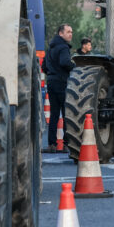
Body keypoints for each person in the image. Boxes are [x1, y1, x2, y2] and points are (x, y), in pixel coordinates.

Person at [44, 24, 75, 153]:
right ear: (60, 33)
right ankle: (67, 144)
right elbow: (65, 62)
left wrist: (52, 73)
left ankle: (52, 144)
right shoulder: (63, 47)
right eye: (68, 32)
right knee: (67, 113)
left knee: (54, 114)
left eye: (71, 32)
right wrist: (74, 66)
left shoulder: (50, 48)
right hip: (62, 82)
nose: (70, 34)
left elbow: (44, 67)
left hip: (51, 82)